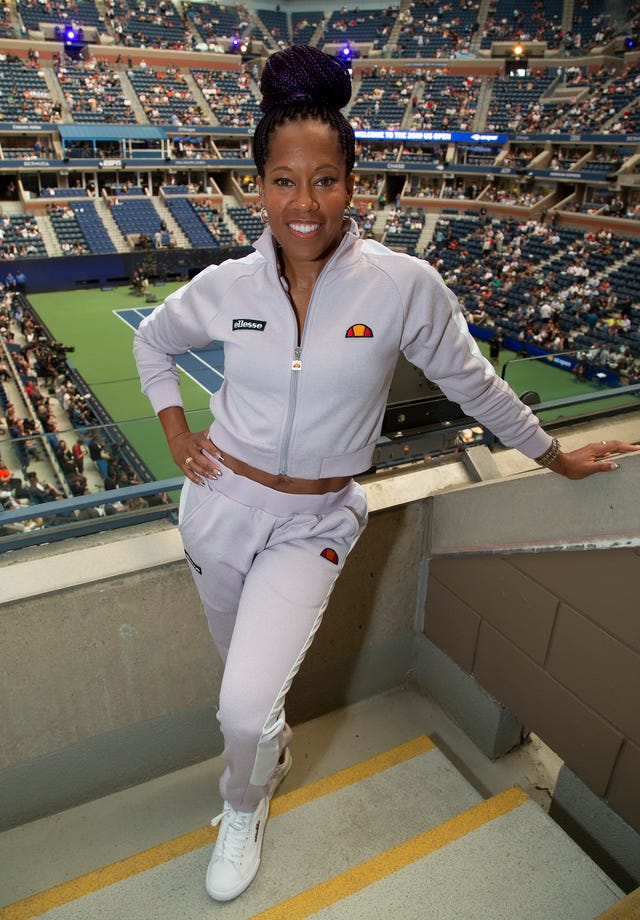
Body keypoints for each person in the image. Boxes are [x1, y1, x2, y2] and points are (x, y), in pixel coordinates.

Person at [133, 46, 639, 904]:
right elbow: (153, 341)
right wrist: (178, 429)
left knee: (242, 707)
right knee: (245, 694)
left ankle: (243, 805)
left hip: (316, 521)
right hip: (217, 507)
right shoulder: (223, 286)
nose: (305, 203)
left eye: (325, 179)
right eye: (284, 181)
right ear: (257, 186)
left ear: (353, 184)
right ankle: (266, 752)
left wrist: (550, 454)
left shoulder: (406, 287)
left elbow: (474, 382)